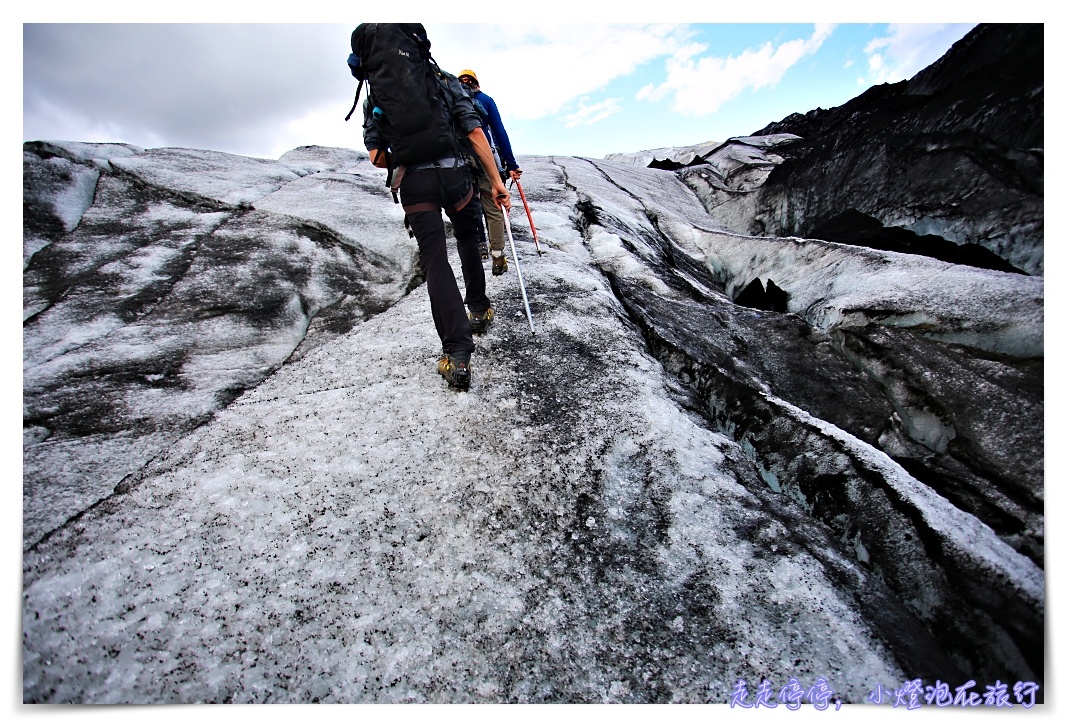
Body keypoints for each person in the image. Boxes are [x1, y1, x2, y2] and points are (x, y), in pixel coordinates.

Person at [363, 57, 511, 391]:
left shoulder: (378, 92)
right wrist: (496, 179)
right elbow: (475, 130)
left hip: (416, 184)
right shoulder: (444, 80)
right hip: (457, 175)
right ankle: (478, 308)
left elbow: (376, 156)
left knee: (435, 260)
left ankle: (457, 354)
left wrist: (407, 153)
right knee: (467, 237)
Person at [457, 69, 522, 276]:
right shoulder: (484, 100)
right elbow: (498, 131)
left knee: (469, 203)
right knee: (492, 203)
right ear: (477, 84)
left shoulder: (450, 99)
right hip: (483, 157)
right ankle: (497, 256)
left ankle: (480, 246)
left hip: (458, 160)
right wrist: (510, 164)